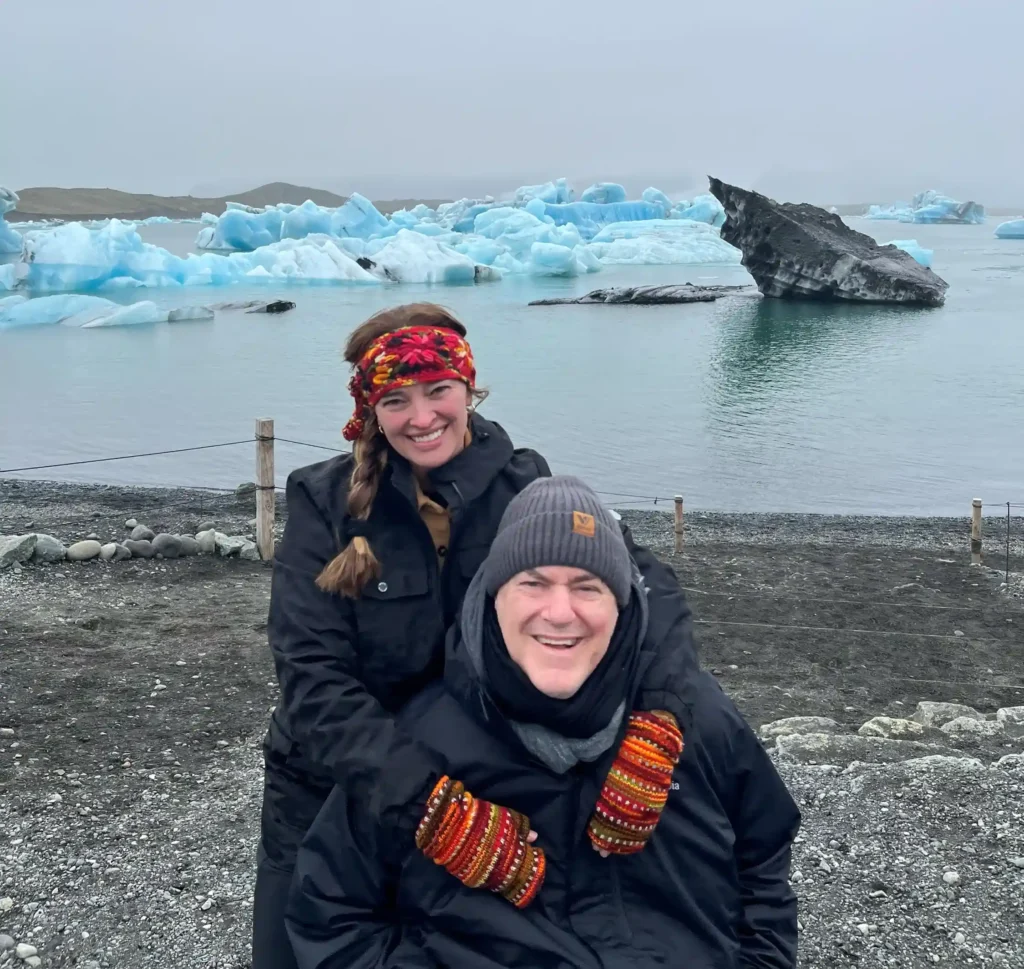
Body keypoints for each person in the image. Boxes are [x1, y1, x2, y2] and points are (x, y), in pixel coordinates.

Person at [255, 303, 702, 969]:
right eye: (397, 399)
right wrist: (430, 809)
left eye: (438, 391)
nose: (422, 416)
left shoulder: (525, 484)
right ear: (370, 408)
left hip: (486, 787)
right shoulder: (323, 503)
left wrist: (658, 720)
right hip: (331, 790)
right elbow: (312, 675)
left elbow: (645, 589)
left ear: (469, 389)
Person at [286, 476, 802, 969]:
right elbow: (331, 911)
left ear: (623, 606)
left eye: (587, 587)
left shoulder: (696, 719)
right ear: (494, 598)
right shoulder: (421, 744)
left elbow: (764, 860)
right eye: (533, 583)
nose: (560, 612)